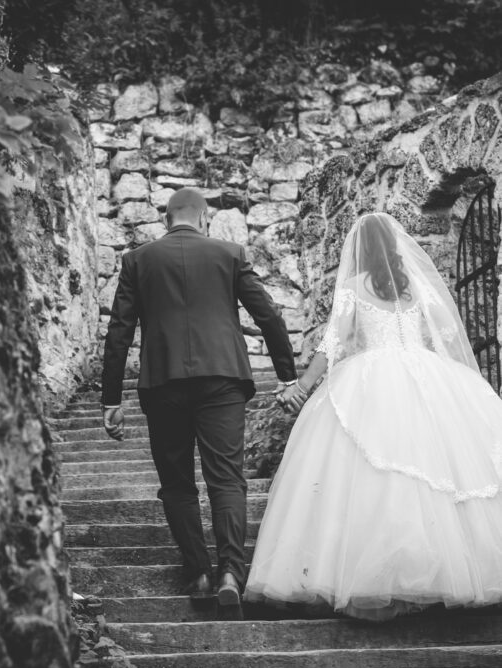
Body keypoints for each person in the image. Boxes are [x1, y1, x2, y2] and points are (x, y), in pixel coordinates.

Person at [245, 212, 502, 621]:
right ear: (397, 246)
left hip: (373, 375)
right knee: (433, 466)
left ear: (360, 249)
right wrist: (421, 353)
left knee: (378, 471)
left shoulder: (353, 287)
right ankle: (449, 573)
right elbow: (447, 333)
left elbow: (333, 342)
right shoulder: (415, 286)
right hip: (424, 372)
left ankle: (383, 576)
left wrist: (303, 385)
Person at [100, 188, 297, 606]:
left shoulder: (137, 260)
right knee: (226, 478)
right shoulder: (230, 254)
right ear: (205, 218)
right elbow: (268, 315)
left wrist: (111, 400)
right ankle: (230, 572)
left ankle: (199, 574)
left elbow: (119, 331)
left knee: (176, 484)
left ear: (166, 219)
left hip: (163, 382)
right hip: (223, 379)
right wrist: (286, 375)